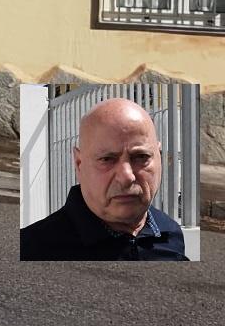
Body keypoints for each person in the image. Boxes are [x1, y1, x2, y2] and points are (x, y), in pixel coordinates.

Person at [20, 97, 189, 261]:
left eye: (141, 156)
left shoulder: (170, 234)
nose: (126, 177)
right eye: (107, 159)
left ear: (159, 157)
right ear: (79, 164)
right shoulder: (33, 248)